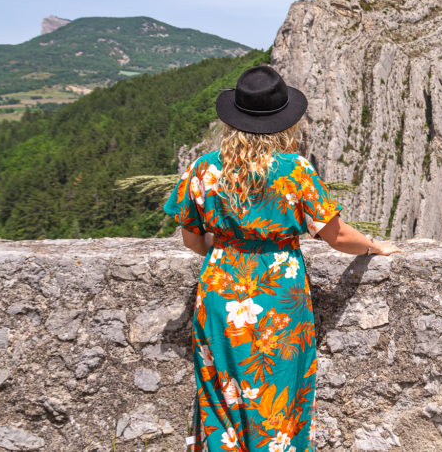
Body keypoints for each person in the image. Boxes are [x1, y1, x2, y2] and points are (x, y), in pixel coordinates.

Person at [164, 64, 401, 451]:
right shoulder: (294, 172)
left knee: (222, 402)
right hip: (279, 300)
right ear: (282, 122)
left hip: (220, 295)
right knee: (278, 404)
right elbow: (337, 236)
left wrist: (229, 253)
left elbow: (192, 239)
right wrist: (375, 246)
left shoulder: (203, 168)